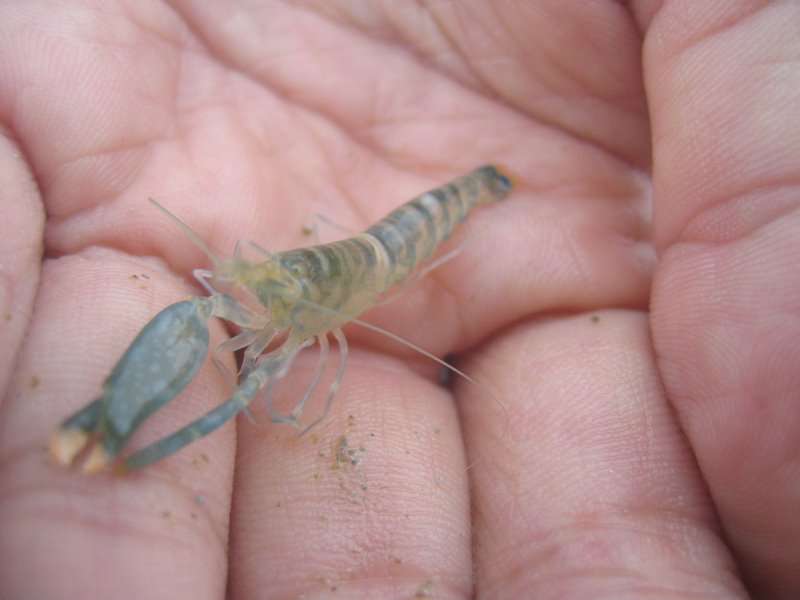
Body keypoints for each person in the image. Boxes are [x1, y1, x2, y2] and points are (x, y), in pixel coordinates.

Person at [0, 2, 796, 598]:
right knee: (207, 310)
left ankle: (131, 454)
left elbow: (304, 373)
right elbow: (233, 290)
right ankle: (109, 422)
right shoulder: (273, 285)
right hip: (350, 255)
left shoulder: (343, 314)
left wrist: (280, 385)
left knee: (252, 389)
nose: (250, 293)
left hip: (411, 237)